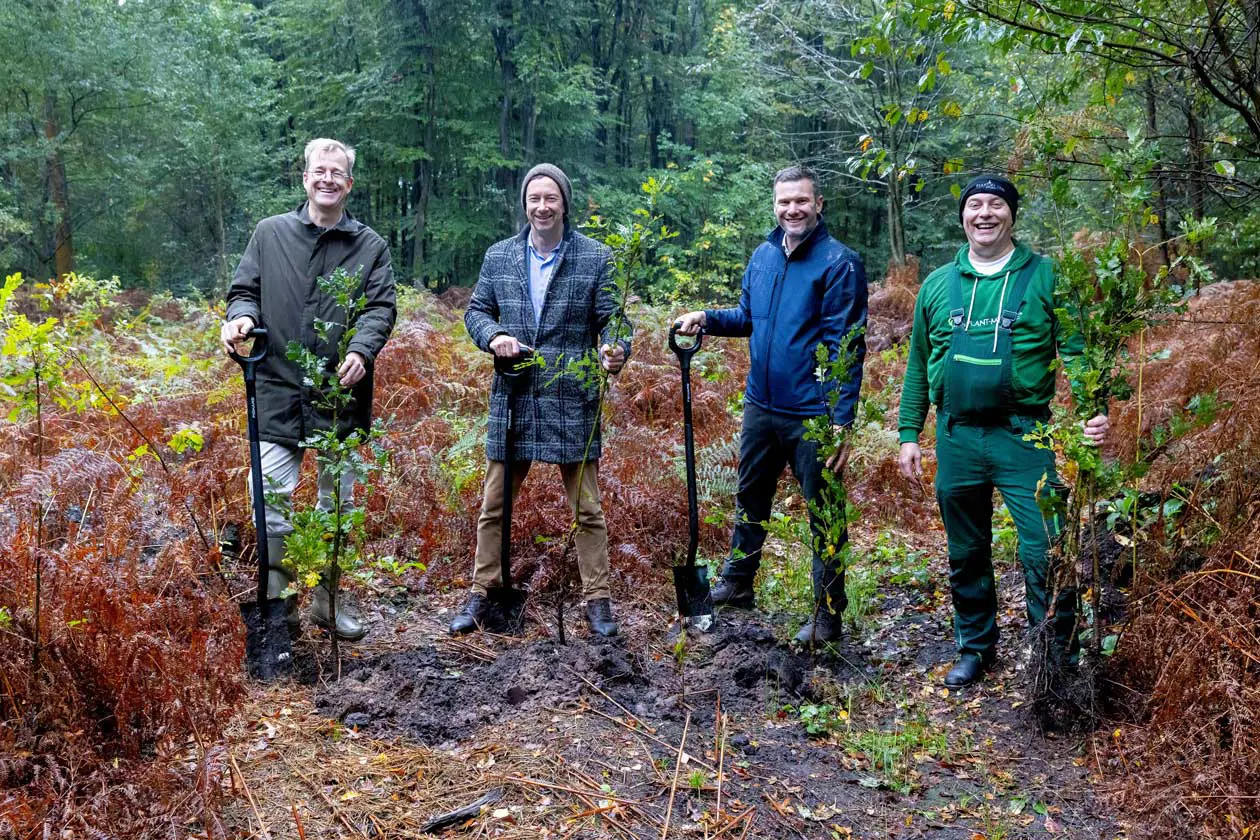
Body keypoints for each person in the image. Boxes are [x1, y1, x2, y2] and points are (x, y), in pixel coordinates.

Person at [897, 174, 1109, 687]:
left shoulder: (1046, 277)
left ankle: (1052, 656)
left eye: (995, 205)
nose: (984, 214)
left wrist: (1094, 409)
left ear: (1012, 214)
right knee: (966, 550)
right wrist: (909, 433)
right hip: (956, 438)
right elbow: (919, 363)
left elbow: (1077, 350)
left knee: (1044, 547)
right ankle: (975, 647)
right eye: (975, 205)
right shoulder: (937, 285)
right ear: (963, 216)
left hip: (1024, 437)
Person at [675, 166, 868, 644]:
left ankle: (827, 614)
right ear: (774, 205)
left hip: (812, 415)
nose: (792, 210)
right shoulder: (763, 257)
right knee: (751, 497)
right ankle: (739, 582)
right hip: (761, 405)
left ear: (819, 204)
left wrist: (841, 420)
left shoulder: (839, 264)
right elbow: (749, 318)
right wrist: (707, 318)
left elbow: (847, 345)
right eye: (784, 202)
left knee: (824, 513)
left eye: (801, 201)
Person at [220, 138, 397, 642]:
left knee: (335, 505)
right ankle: (282, 599)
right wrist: (240, 320)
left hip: (340, 395)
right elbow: (243, 292)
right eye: (319, 170)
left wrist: (361, 350)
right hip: (276, 388)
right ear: (305, 178)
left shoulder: (370, 246)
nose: (327, 179)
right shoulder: (269, 234)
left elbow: (381, 307)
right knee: (266, 494)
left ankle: (328, 598)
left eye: (336, 173)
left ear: (349, 184)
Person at [452, 163, 630, 638]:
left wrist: (616, 349)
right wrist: (495, 337)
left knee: (587, 509)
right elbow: (476, 312)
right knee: (495, 503)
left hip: (572, 394)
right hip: (513, 394)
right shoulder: (500, 256)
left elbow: (614, 319)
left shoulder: (596, 258)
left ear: (564, 203)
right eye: (534, 198)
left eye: (551, 198)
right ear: (525, 204)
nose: (542, 207)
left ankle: (598, 601)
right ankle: (481, 593)